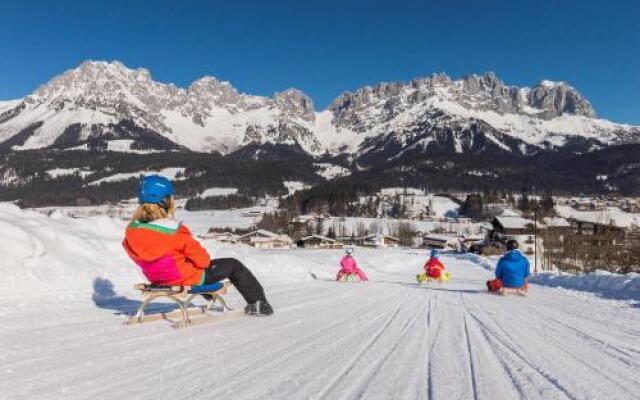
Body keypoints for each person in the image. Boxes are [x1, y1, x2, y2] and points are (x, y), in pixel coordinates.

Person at [122, 175, 273, 316]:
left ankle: (207, 293)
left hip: (157, 279)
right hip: (185, 278)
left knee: (186, 263)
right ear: (164, 202)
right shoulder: (175, 232)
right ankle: (259, 304)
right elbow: (203, 261)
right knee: (233, 265)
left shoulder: (131, 233)